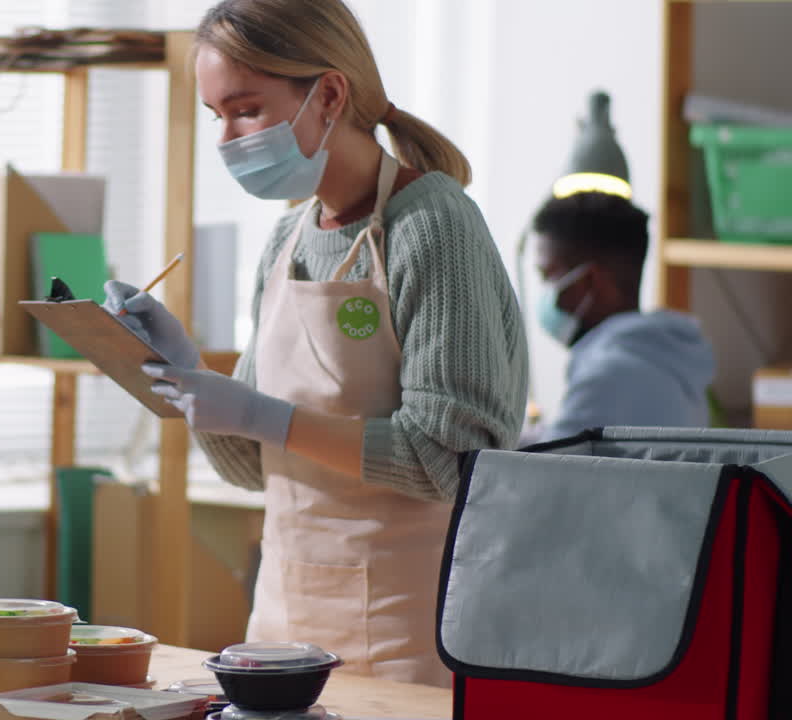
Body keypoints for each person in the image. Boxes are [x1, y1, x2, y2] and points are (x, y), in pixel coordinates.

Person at [102, 0, 526, 687]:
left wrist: (260, 414)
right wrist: (182, 369)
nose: (226, 139)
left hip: (412, 632)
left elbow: (450, 460)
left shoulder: (433, 225)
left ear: (329, 94)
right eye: (216, 117)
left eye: (246, 111)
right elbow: (254, 466)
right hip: (283, 625)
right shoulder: (288, 238)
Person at [521, 192, 715, 445]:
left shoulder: (609, 376)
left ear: (591, 281)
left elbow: (546, 464)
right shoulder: (666, 356)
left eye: (549, 275)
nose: (546, 290)